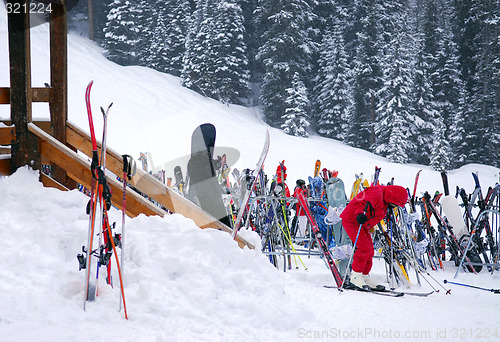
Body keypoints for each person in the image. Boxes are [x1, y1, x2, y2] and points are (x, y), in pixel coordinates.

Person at [339, 184, 408, 289]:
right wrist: (359, 214)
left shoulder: (385, 201)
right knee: (364, 248)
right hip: (352, 220)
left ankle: (364, 276)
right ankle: (355, 276)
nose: (393, 207)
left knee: (370, 250)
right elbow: (360, 202)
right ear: (391, 197)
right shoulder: (376, 193)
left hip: (363, 225)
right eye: (394, 205)